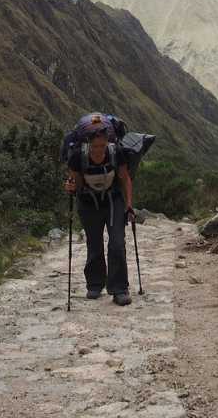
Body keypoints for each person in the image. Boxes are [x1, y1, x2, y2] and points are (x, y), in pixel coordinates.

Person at [64, 115, 135, 305]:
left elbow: (125, 178)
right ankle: (94, 285)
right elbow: (76, 184)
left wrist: (128, 204)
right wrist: (71, 187)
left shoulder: (115, 152)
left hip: (113, 201)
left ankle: (119, 289)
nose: (98, 150)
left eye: (102, 146)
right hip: (88, 203)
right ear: (88, 144)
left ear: (107, 143)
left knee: (117, 244)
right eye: (95, 146)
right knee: (94, 244)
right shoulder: (78, 156)